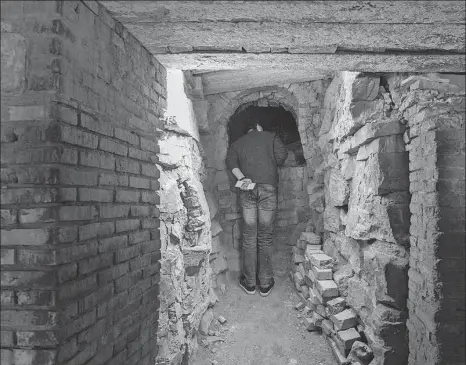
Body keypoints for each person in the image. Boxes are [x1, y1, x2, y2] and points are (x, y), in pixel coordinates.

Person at [225, 120, 288, 297]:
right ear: (259, 127)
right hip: (268, 188)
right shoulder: (271, 137)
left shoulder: (238, 143)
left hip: (247, 189)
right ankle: (265, 284)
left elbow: (230, 161)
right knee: (265, 237)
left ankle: (250, 283)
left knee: (249, 236)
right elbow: (282, 157)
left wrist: (243, 177)